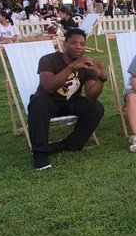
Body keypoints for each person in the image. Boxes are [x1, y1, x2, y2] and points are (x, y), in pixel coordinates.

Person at [28, 28, 105, 170]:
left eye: (82, 44)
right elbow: (48, 86)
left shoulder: (86, 64)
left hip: (70, 102)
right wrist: (71, 67)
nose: (78, 47)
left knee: (96, 107)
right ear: (64, 44)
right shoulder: (48, 60)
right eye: (74, 43)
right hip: (48, 101)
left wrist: (101, 78)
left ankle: (67, 145)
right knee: (37, 102)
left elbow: (91, 96)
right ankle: (40, 154)